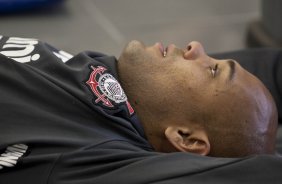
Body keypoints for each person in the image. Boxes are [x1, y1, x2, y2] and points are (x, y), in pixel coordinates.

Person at [0, 35, 281, 184]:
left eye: (212, 70)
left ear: (186, 138)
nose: (196, 47)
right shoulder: (132, 86)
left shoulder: (95, 159)